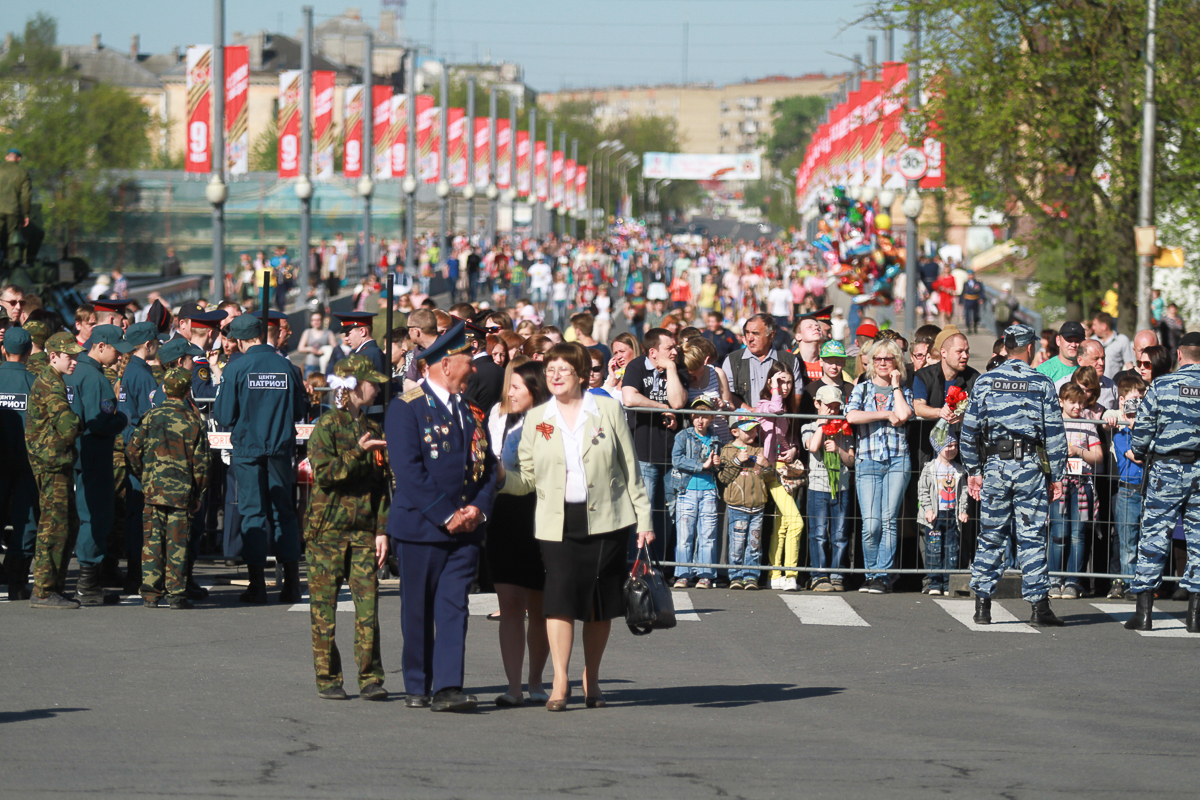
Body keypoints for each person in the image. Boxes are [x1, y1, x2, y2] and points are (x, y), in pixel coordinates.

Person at [499, 341, 653, 711]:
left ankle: (593, 678)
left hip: (607, 519)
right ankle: (560, 680)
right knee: (559, 600)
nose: (554, 376)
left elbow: (630, 468)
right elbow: (527, 480)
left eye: (562, 370)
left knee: (599, 605)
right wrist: (501, 478)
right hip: (557, 523)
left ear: (581, 375)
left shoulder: (608, 409)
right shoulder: (538, 419)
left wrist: (644, 519)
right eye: (549, 370)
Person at [386, 320, 496, 713]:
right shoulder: (406, 408)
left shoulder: (471, 411)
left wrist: (477, 509)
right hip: (421, 528)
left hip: (464, 531)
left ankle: (448, 686)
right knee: (417, 609)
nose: (475, 366)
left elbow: (488, 468)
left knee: (454, 607)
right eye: (468, 358)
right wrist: (447, 515)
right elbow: (409, 470)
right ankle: (418, 682)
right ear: (446, 364)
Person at [961, 324, 1068, 628]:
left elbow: (969, 432)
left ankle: (982, 604)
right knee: (1032, 535)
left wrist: (974, 470)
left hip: (995, 465)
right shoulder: (1041, 382)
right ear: (1030, 347)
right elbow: (1055, 434)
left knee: (992, 534)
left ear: (1006, 347)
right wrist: (1057, 473)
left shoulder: (985, 381)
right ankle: (1038, 607)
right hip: (1030, 467)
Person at [303, 355, 391, 701]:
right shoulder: (327, 425)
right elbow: (324, 474)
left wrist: (382, 529)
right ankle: (327, 679)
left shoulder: (375, 428)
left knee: (368, 609)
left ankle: (370, 677)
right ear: (353, 385)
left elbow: (381, 484)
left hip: (364, 531)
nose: (378, 388)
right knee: (324, 610)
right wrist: (357, 451)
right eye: (372, 382)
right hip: (327, 532)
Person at [213, 314, 307, 604]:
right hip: (280, 448)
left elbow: (224, 415)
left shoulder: (236, 367)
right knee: (284, 512)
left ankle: (257, 585)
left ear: (240, 340)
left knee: (253, 512)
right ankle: (291, 583)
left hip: (248, 449)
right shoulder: (287, 366)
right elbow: (299, 410)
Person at [1123, 331, 1200, 632]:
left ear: (1179, 355)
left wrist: (1140, 451)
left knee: (1153, 538)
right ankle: (1195, 616)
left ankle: (1144, 613)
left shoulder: (1163, 384)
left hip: (1166, 469)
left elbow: (1142, 428)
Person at [487, 359, 551, 707]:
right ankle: (513, 686)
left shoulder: (546, 423)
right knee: (510, 603)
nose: (508, 392)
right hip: (503, 513)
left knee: (538, 607)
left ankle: (536, 681)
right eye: (508, 386)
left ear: (534, 391)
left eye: (516, 387)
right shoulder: (496, 417)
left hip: (539, 514)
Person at [126, 367, 209, 610]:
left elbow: (132, 450)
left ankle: (151, 594)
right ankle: (176, 595)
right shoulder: (193, 420)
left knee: (152, 543)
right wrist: (198, 494)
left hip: (153, 491)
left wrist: (145, 477)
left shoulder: (151, 416)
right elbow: (202, 464)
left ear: (164, 389)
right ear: (187, 391)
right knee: (178, 544)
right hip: (181, 493)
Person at [65, 324, 132, 606]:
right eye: (116, 350)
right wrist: (123, 419)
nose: (119, 357)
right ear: (101, 345)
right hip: (94, 456)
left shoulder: (69, 372)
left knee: (79, 516)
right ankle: (88, 585)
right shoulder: (96, 378)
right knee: (96, 516)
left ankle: (81, 581)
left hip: (73, 455)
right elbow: (103, 422)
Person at [846, 339, 914, 593]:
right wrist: (885, 414)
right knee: (871, 523)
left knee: (888, 520)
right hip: (868, 460)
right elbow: (852, 416)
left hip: (897, 459)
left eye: (889, 358)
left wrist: (895, 386)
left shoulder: (904, 391)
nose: (883, 363)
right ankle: (870, 572)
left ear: (897, 362)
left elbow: (905, 414)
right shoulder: (861, 389)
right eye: (878, 359)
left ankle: (883, 576)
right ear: (871, 362)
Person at [26, 333, 86, 609]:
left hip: (54, 460)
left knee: (65, 522)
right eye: (69, 356)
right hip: (51, 462)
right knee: (55, 525)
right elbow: (67, 426)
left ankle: (52, 587)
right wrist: (80, 421)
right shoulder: (51, 384)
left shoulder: (53, 381)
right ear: (53, 357)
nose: (74, 361)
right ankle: (44, 590)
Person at [622, 328, 688, 559]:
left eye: (675, 346)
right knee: (645, 513)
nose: (675, 351)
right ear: (653, 351)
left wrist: (670, 369)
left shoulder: (677, 369)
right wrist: (662, 407)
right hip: (644, 454)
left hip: (673, 455)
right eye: (669, 347)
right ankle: (639, 564)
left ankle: (661, 565)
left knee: (668, 515)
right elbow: (629, 398)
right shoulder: (637, 366)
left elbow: (678, 402)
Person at [756, 366, 806, 592]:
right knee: (796, 521)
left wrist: (794, 449)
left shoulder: (788, 406)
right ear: (770, 383)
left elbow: (792, 437)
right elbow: (774, 408)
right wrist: (774, 385)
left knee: (783, 523)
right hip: (770, 471)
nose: (784, 387)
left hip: (786, 469)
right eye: (780, 382)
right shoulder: (764, 404)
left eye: (788, 383)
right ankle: (790, 574)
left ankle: (777, 574)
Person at [803, 385, 855, 592]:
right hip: (817, 487)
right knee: (818, 533)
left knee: (840, 533)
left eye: (836, 407)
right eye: (828, 407)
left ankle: (837, 574)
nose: (832, 412)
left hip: (841, 486)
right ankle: (818, 575)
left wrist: (839, 449)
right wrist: (822, 426)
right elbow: (813, 447)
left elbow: (850, 460)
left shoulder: (845, 428)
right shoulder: (808, 426)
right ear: (817, 404)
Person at [0, 328, 38, 599]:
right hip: (27, 460)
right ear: (29, 352)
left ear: (4, 349)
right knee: (26, 519)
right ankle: (16, 581)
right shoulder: (35, 383)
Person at [671, 396, 722, 590]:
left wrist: (717, 465)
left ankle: (705, 574)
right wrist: (702, 466)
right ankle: (683, 574)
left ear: (711, 418)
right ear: (691, 417)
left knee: (707, 534)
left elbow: (718, 467)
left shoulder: (716, 439)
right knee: (685, 534)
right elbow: (676, 459)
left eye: (705, 415)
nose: (700, 420)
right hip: (687, 490)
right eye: (696, 415)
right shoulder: (683, 436)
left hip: (709, 490)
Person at [718, 416, 769, 590]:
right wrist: (737, 460)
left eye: (755, 429)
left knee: (754, 543)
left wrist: (766, 465)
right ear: (735, 432)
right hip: (737, 505)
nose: (752, 433)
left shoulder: (759, 449)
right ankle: (736, 575)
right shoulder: (727, 450)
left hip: (758, 505)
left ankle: (751, 576)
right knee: (737, 543)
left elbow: (769, 478)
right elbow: (723, 478)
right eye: (747, 430)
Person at [1107, 374, 1147, 600]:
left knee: (1145, 539)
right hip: (1127, 491)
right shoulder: (1122, 435)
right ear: (1123, 402)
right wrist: (1134, 428)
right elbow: (1138, 456)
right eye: (1134, 400)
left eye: (1141, 399)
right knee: (1128, 542)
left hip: (1146, 489)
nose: (1138, 405)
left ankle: (1143, 582)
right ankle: (1130, 583)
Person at [917, 435, 969, 596]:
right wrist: (928, 509)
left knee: (951, 550)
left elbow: (964, 492)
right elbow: (923, 490)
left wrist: (963, 510)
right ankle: (935, 582)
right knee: (933, 549)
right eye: (948, 446)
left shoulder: (959, 469)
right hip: (934, 517)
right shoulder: (930, 468)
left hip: (951, 515)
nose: (952, 449)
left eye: (955, 445)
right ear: (938, 447)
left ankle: (948, 583)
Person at [722, 314, 802, 407]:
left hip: (778, 419)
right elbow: (727, 394)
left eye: (755, 333)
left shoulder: (789, 360)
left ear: (771, 335)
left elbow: (796, 394)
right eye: (747, 333)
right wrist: (750, 412)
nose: (750, 338)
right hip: (744, 419)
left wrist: (772, 412)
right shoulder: (732, 360)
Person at [0, 149, 43, 265]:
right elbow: (26, 195)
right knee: (11, 239)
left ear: (6, 157)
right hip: (12, 210)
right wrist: (27, 214)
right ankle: (8, 264)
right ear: (18, 158)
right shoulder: (22, 173)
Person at [333, 312, 387, 377]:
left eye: (348, 334)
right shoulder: (373, 352)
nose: (346, 338)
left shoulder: (364, 356)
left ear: (362, 332)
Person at [1091, 312, 1135, 378]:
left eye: (1095, 325)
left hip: (1115, 384)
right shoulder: (1091, 341)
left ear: (1104, 326)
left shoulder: (1122, 340)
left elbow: (1129, 365)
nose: (1092, 328)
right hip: (1094, 384)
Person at [297, 312, 335, 378]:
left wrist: (325, 350)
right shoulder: (307, 332)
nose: (316, 322)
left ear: (322, 321)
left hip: (324, 366)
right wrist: (310, 349)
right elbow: (300, 348)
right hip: (310, 365)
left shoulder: (328, 333)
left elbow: (335, 348)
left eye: (318, 320)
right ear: (311, 322)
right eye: (313, 320)